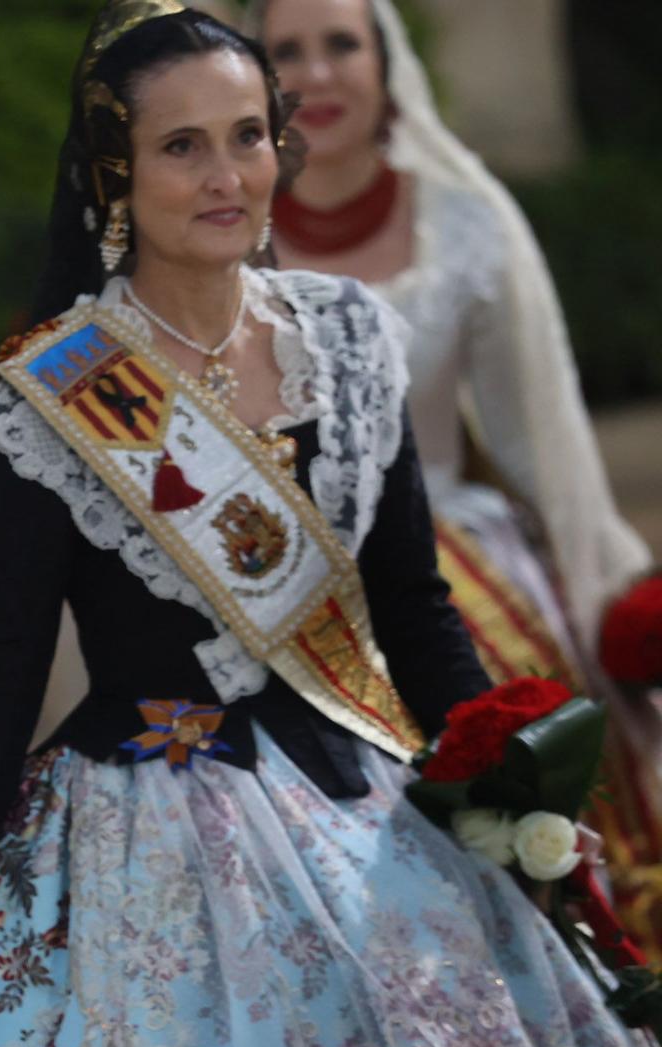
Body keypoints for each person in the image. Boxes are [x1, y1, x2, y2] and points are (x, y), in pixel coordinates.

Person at [0, 5, 662, 1047]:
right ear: (115, 176)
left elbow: (414, 609)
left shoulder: (346, 336)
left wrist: (513, 797)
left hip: (367, 807)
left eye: (247, 138)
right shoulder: (55, 391)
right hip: (149, 831)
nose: (228, 177)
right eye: (182, 149)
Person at [251, 0, 662, 950]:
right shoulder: (226, 233)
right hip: (277, 568)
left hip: (458, 554)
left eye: (341, 44)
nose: (316, 75)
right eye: (286, 52)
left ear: (388, 60)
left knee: (513, 731)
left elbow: (546, 443)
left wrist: (608, 596)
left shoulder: (467, 220)